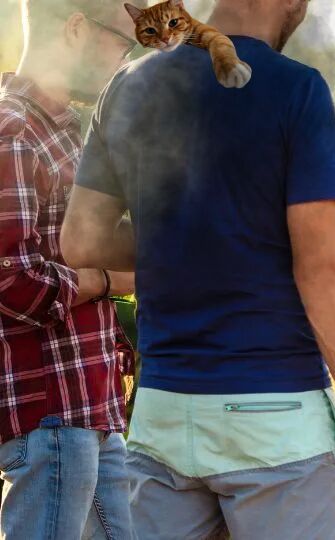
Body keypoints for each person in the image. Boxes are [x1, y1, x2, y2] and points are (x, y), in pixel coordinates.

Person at [61, 0, 335, 537]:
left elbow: (82, 240)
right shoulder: (294, 88)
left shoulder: (127, 84)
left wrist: (185, 240)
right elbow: (323, 270)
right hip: (276, 421)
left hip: (163, 414)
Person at [0, 1, 139, 538]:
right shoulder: (15, 130)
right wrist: (107, 281)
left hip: (93, 409)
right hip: (52, 418)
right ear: (77, 27)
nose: (126, 61)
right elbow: (10, 280)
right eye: (123, 43)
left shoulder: (66, 129)